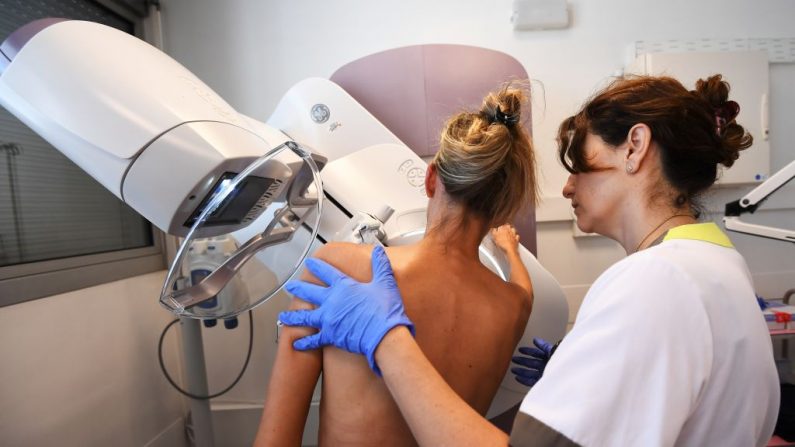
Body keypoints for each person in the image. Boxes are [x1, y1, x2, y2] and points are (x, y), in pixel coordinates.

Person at [279, 74, 781, 447]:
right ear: (506, 205)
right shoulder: (722, 267)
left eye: (578, 165)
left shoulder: (340, 268)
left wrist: (388, 339)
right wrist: (581, 384)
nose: (567, 186)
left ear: (635, 147)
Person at [254, 85, 539, 446]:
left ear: (431, 178)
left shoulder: (338, 268)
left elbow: (275, 440)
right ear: (503, 208)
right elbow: (523, 288)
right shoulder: (514, 306)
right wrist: (510, 249)